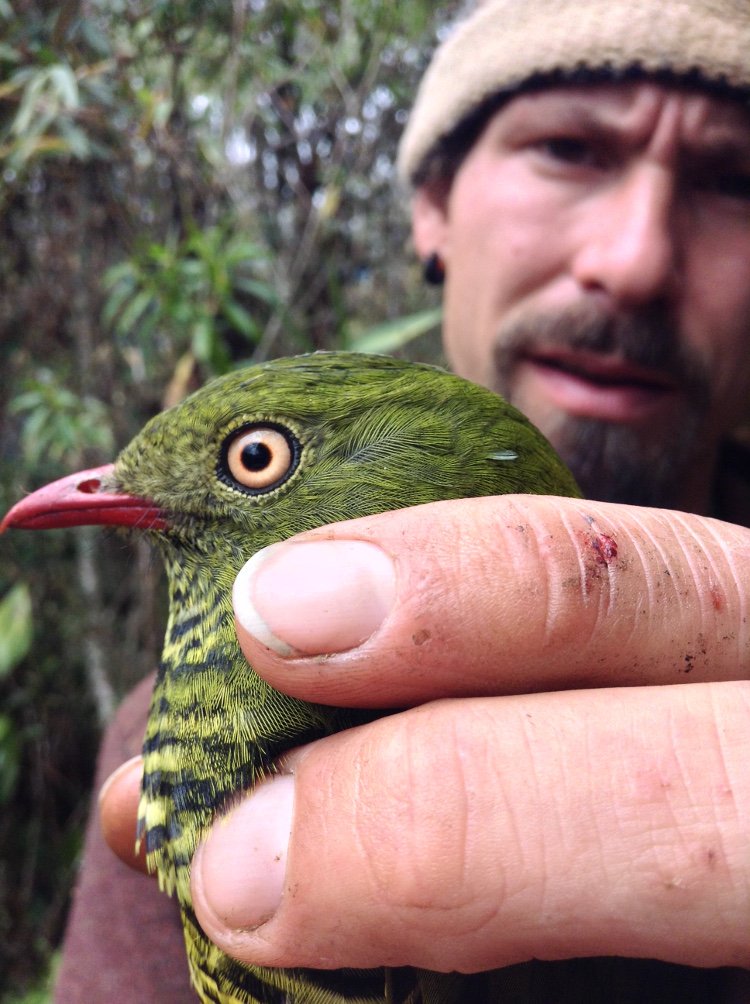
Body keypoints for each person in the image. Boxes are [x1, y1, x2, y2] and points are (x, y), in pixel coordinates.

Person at [54, 0, 750, 1000]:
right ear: (433, 204)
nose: (634, 257)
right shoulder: (163, 729)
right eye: (569, 149)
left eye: (736, 182)